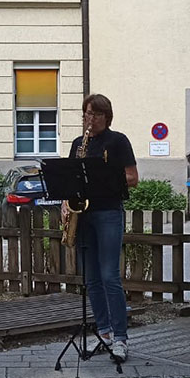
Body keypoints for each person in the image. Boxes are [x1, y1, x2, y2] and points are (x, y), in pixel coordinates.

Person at [65, 93, 138, 361]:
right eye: (86, 114)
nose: (90, 120)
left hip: (108, 212)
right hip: (83, 216)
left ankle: (121, 339)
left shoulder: (117, 141)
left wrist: (105, 177)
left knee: (110, 277)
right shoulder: (77, 144)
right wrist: (66, 203)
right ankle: (104, 332)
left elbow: (132, 177)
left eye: (95, 115)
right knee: (92, 279)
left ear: (107, 116)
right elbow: (69, 179)